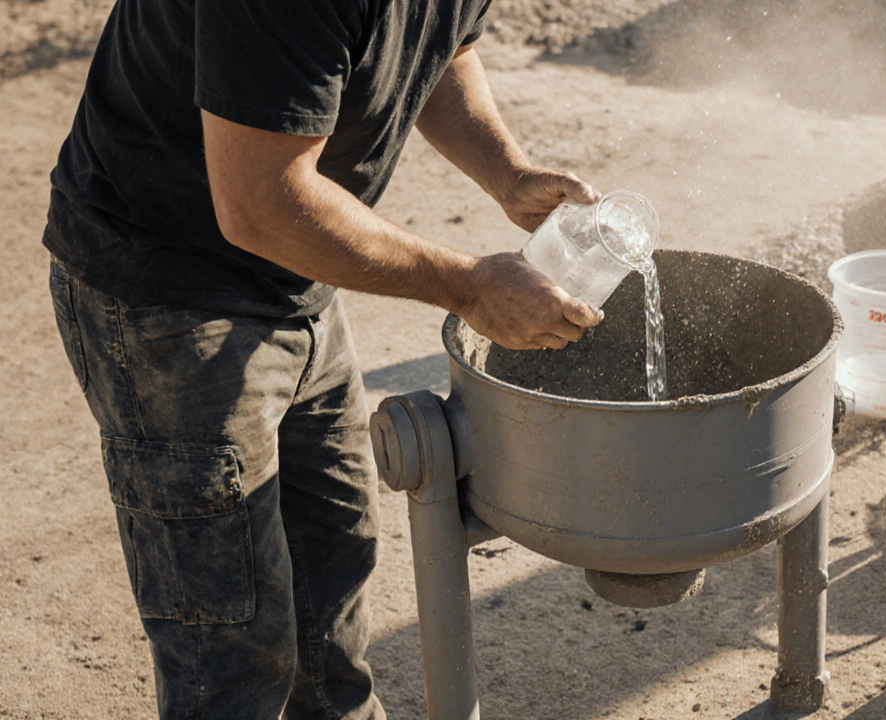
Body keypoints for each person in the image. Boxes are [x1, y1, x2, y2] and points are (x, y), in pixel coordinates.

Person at [42, 0, 602, 716]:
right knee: (233, 645)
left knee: (329, 587)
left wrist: (507, 171)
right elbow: (259, 203)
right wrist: (467, 287)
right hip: (167, 292)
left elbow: (438, 47)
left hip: (295, 272)